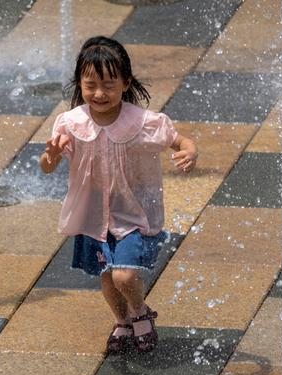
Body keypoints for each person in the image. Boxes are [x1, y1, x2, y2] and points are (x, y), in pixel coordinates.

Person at [40, 36, 198, 354]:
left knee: (124, 276)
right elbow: (46, 166)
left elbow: (180, 141)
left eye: (109, 85)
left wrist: (190, 152)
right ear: (80, 84)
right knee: (107, 279)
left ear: (126, 83)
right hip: (93, 216)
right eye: (91, 85)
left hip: (133, 214)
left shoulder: (141, 122)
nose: (99, 93)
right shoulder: (71, 123)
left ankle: (140, 313)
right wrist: (51, 158)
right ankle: (122, 322)